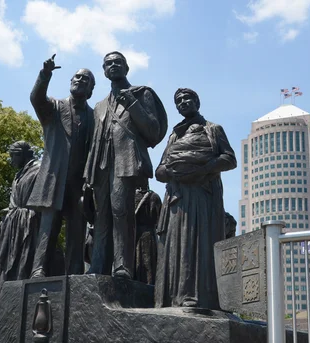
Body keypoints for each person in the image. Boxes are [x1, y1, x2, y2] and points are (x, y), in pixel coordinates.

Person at [83, 51, 167, 279]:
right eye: (108, 63)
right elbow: (93, 141)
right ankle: (99, 266)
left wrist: (132, 105)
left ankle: (122, 266)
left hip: (126, 160)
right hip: (101, 165)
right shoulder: (99, 106)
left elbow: (153, 131)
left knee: (121, 212)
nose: (113, 66)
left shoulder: (142, 94)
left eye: (118, 62)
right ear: (103, 71)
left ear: (127, 67)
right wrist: (87, 174)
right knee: (101, 216)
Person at [155, 88, 236, 310]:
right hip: (177, 198)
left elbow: (229, 159)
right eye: (178, 101)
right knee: (177, 246)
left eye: (187, 98)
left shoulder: (213, 129)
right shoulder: (174, 136)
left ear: (197, 102)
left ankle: (198, 296)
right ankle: (174, 296)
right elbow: (159, 170)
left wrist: (203, 168)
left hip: (202, 196)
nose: (183, 102)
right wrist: (175, 172)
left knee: (197, 244)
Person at [27, 54, 95, 277]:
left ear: (91, 89)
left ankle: (74, 273)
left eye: (85, 79)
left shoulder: (95, 117)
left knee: (77, 231)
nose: (79, 80)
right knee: (48, 228)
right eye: (76, 77)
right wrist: (44, 75)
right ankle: (39, 269)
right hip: (54, 179)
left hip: (79, 185)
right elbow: (36, 99)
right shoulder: (54, 107)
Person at [0, 141, 40, 311]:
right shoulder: (19, 174)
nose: (10, 161)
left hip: (28, 227)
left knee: (20, 271)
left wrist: (16, 214)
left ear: (22, 154)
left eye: (12, 156)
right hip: (12, 227)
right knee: (0, 275)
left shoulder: (38, 169)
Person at [134, 183, 162, 284]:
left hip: (134, 236)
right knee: (149, 266)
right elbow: (160, 222)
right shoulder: (154, 197)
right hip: (150, 236)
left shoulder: (131, 197)